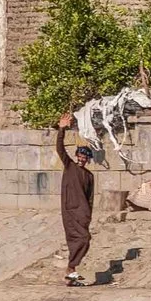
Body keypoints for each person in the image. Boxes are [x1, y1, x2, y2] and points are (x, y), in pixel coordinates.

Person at [54, 114, 96, 286]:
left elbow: (90, 198)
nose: (82, 159)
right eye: (80, 155)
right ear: (77, 155)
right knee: (78, 239)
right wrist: (62, 129)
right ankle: (71, 269)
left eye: (85, 157)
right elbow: (60, 149)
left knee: (85, 239)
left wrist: (88, 215)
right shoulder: (69, 166)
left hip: (83, 212)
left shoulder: (89, 176)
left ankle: (71, 271)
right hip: (70, 209)